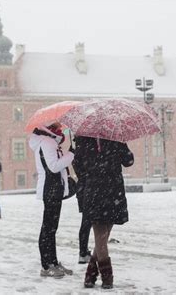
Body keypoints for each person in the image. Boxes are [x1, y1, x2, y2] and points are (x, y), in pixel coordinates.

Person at [82, 138, 134, 289]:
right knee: (102, 237)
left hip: (95, 191)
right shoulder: (115, 138)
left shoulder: (85, 140)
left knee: (101, 238)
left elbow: (80, 164)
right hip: (112, 191)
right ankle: (106, 277)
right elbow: (129, 161)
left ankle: (90, 276)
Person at [29, 122, 75, 278]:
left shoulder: (48, 142)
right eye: (57, 127)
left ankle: (53, 262)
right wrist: (71, 154)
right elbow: (54, 167)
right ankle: (47, 266)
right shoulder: (47, 142)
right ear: (49, 129)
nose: (60, 130)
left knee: (51, 228)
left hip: (53, 188)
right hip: (51, 188)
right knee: (48, 228)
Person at [72, 136, 93, 264]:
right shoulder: (90, 149)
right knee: (91, 222)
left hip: (82, 189)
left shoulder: (77, 150)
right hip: (91, 188)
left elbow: (78, 169)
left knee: (86, 222)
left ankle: (83, 251)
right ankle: (85, 252)